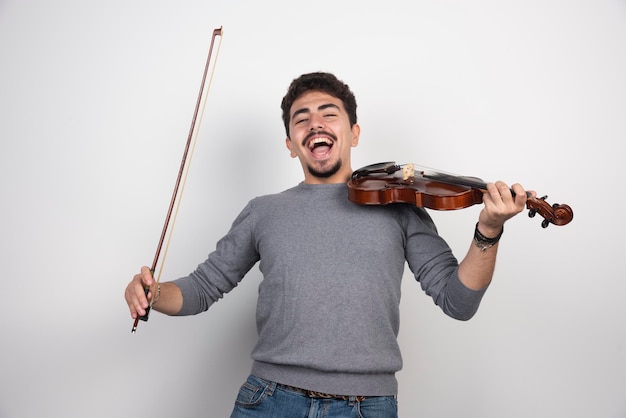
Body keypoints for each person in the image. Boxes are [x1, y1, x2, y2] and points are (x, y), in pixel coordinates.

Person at [125, 72, 530, 418]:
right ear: (290, 143)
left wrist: (488, 230)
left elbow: (458, 303)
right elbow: (202, 287)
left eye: (328, 114)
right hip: (269, 399)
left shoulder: (401, 206)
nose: (315, 125)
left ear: (353, 133)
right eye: (302, 120)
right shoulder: (264, 211)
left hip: (365, 405)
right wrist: (154, 293)